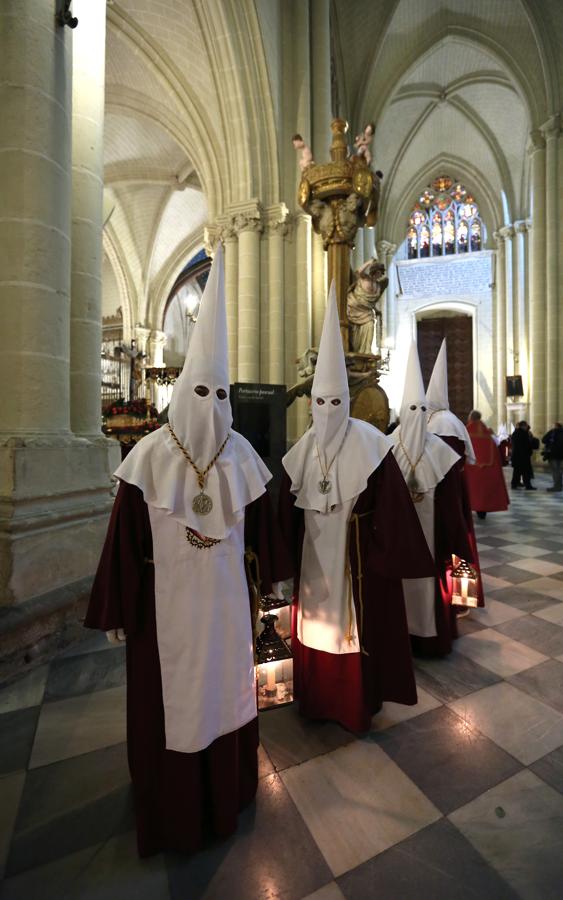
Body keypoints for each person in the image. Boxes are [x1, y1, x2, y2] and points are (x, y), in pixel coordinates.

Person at [85, 246, 291, 858]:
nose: (213, 406)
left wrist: (275, 584)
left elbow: (263, 534)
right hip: (162, 614)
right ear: (180, 391)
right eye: (202, 391)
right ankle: (171, 801)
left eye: (221, 394)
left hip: (227, 610)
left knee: (225, 692)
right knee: (169, 704)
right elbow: (125, 539)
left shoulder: (241, 456)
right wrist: (120, 609)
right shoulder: (148, 456)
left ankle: (226, 790)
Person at [279, 285, 434, 732]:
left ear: (348, 402)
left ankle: (352, 704)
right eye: (320, 402)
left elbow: (393, 510)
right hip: (314, 560)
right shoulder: (301, 450)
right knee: (314, 624)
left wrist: (386, 556)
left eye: (336, 402)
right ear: (311, 404)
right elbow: (287, 514)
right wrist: (282, 562)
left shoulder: (371, 445)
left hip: (358, 564)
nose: (327, 411)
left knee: (353, 628)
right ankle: (316, 698)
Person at [391, 342, 475, 656]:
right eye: (412, 409)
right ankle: (403, 637)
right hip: (398, 537)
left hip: (431, 537)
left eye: (421, 409)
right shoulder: (386, 447)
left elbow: (452, 502)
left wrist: (457, 542)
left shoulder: (441, 451)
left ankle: (430, 640)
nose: (417, 416)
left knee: (430, 583)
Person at [426, 339, 484, 609]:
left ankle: (456, 598)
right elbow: (468, 457)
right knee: (461, 538)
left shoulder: (437, 422)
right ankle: (464, 597)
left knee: (451, 540)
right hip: (455, 487)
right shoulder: (454, 421)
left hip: (441, 488)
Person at [465, 410, 510, 517]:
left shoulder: (466, 431)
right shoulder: (488, 432)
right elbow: (497, 448)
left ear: (470, 418)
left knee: (471, 489)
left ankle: (469, 508)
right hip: (487, 469)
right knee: (483, 490)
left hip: (470, 468)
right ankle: (482, 511)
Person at [510, 420, 537, 490]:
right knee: (526, 472)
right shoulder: (523, 434)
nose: (527, 427)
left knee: (517, 471)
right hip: (523, 456)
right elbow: (527, 444)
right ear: (523, 426)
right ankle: (528, 485)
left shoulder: (516, 433)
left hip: (516, 456)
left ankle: (514, 484)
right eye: (526, 426)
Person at [542, 422, 563, 492]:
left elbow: (543, 439)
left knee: (555, 471)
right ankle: (559, 485)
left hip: (553, 455)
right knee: (559, 471)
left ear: (555, 426)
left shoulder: (552, 432)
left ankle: (557, 487)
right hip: (561, 455)